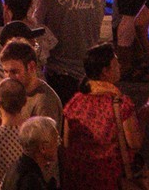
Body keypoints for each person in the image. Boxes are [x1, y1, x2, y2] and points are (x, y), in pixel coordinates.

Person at [59, 44, 140, 190]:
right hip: (110, 180)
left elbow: (66, 144)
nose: (120, 66)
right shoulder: (121, 104)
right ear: (105, 72)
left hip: (79, 180)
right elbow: (135, 143)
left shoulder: (74, 103)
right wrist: (143, 120)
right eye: (116, 63)